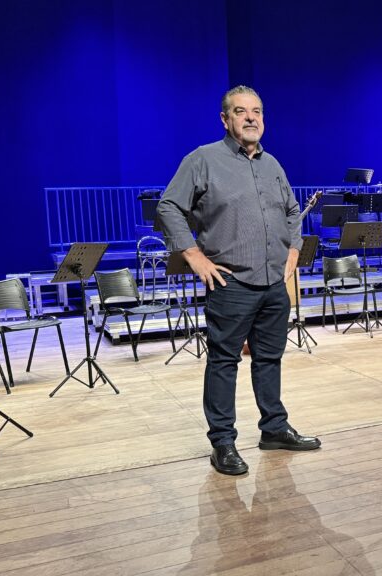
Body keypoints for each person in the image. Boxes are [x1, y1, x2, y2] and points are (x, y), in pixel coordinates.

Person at [157, 85, 320, 476]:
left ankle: (274, 428)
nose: (251, 118)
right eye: (241, 111)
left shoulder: (272, 164)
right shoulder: (203, 160)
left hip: (273, 283)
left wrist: (294, 250)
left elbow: (292, 211)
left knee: (269, 359)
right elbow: (168, 206)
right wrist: (193, 255)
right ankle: (223, 443)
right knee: (224, 362)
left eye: (257, 111)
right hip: (230, 283)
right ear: (225, 118)